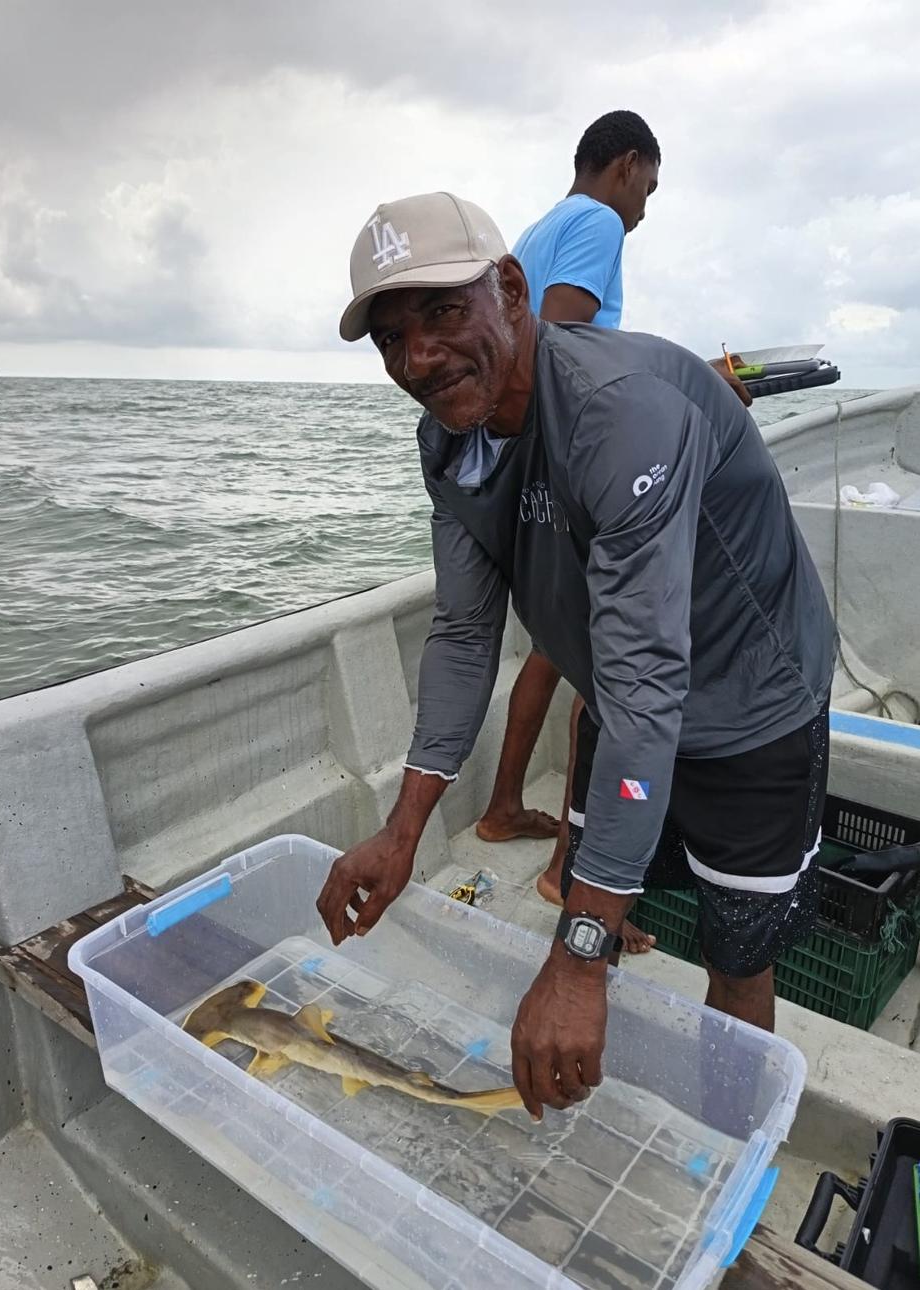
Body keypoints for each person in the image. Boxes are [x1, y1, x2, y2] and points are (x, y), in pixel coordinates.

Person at [318, 192, 835, 1121]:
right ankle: (595, 1065)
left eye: (441, 313)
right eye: (391, 338)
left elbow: (650, 682)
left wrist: (575, 962)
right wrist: (404, 830)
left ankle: (721, 1145)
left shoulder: (618, 411)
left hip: (752, 703)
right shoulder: (449, 439)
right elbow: (465, 634)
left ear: (511, 291)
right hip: (620, 695)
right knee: (593, 901)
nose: (418, 359)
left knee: (735, 950)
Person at [476, 112, 750, 958]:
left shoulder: (540, 225)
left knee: (551, 650)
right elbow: (562, 342)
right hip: (580, 456)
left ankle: (502, 810)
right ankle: (573, 866)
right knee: (610, 674)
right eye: (649, 190)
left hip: (534, 462)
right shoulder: (596, 220)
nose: (643, 212)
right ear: (626, 166)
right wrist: (686, 384)